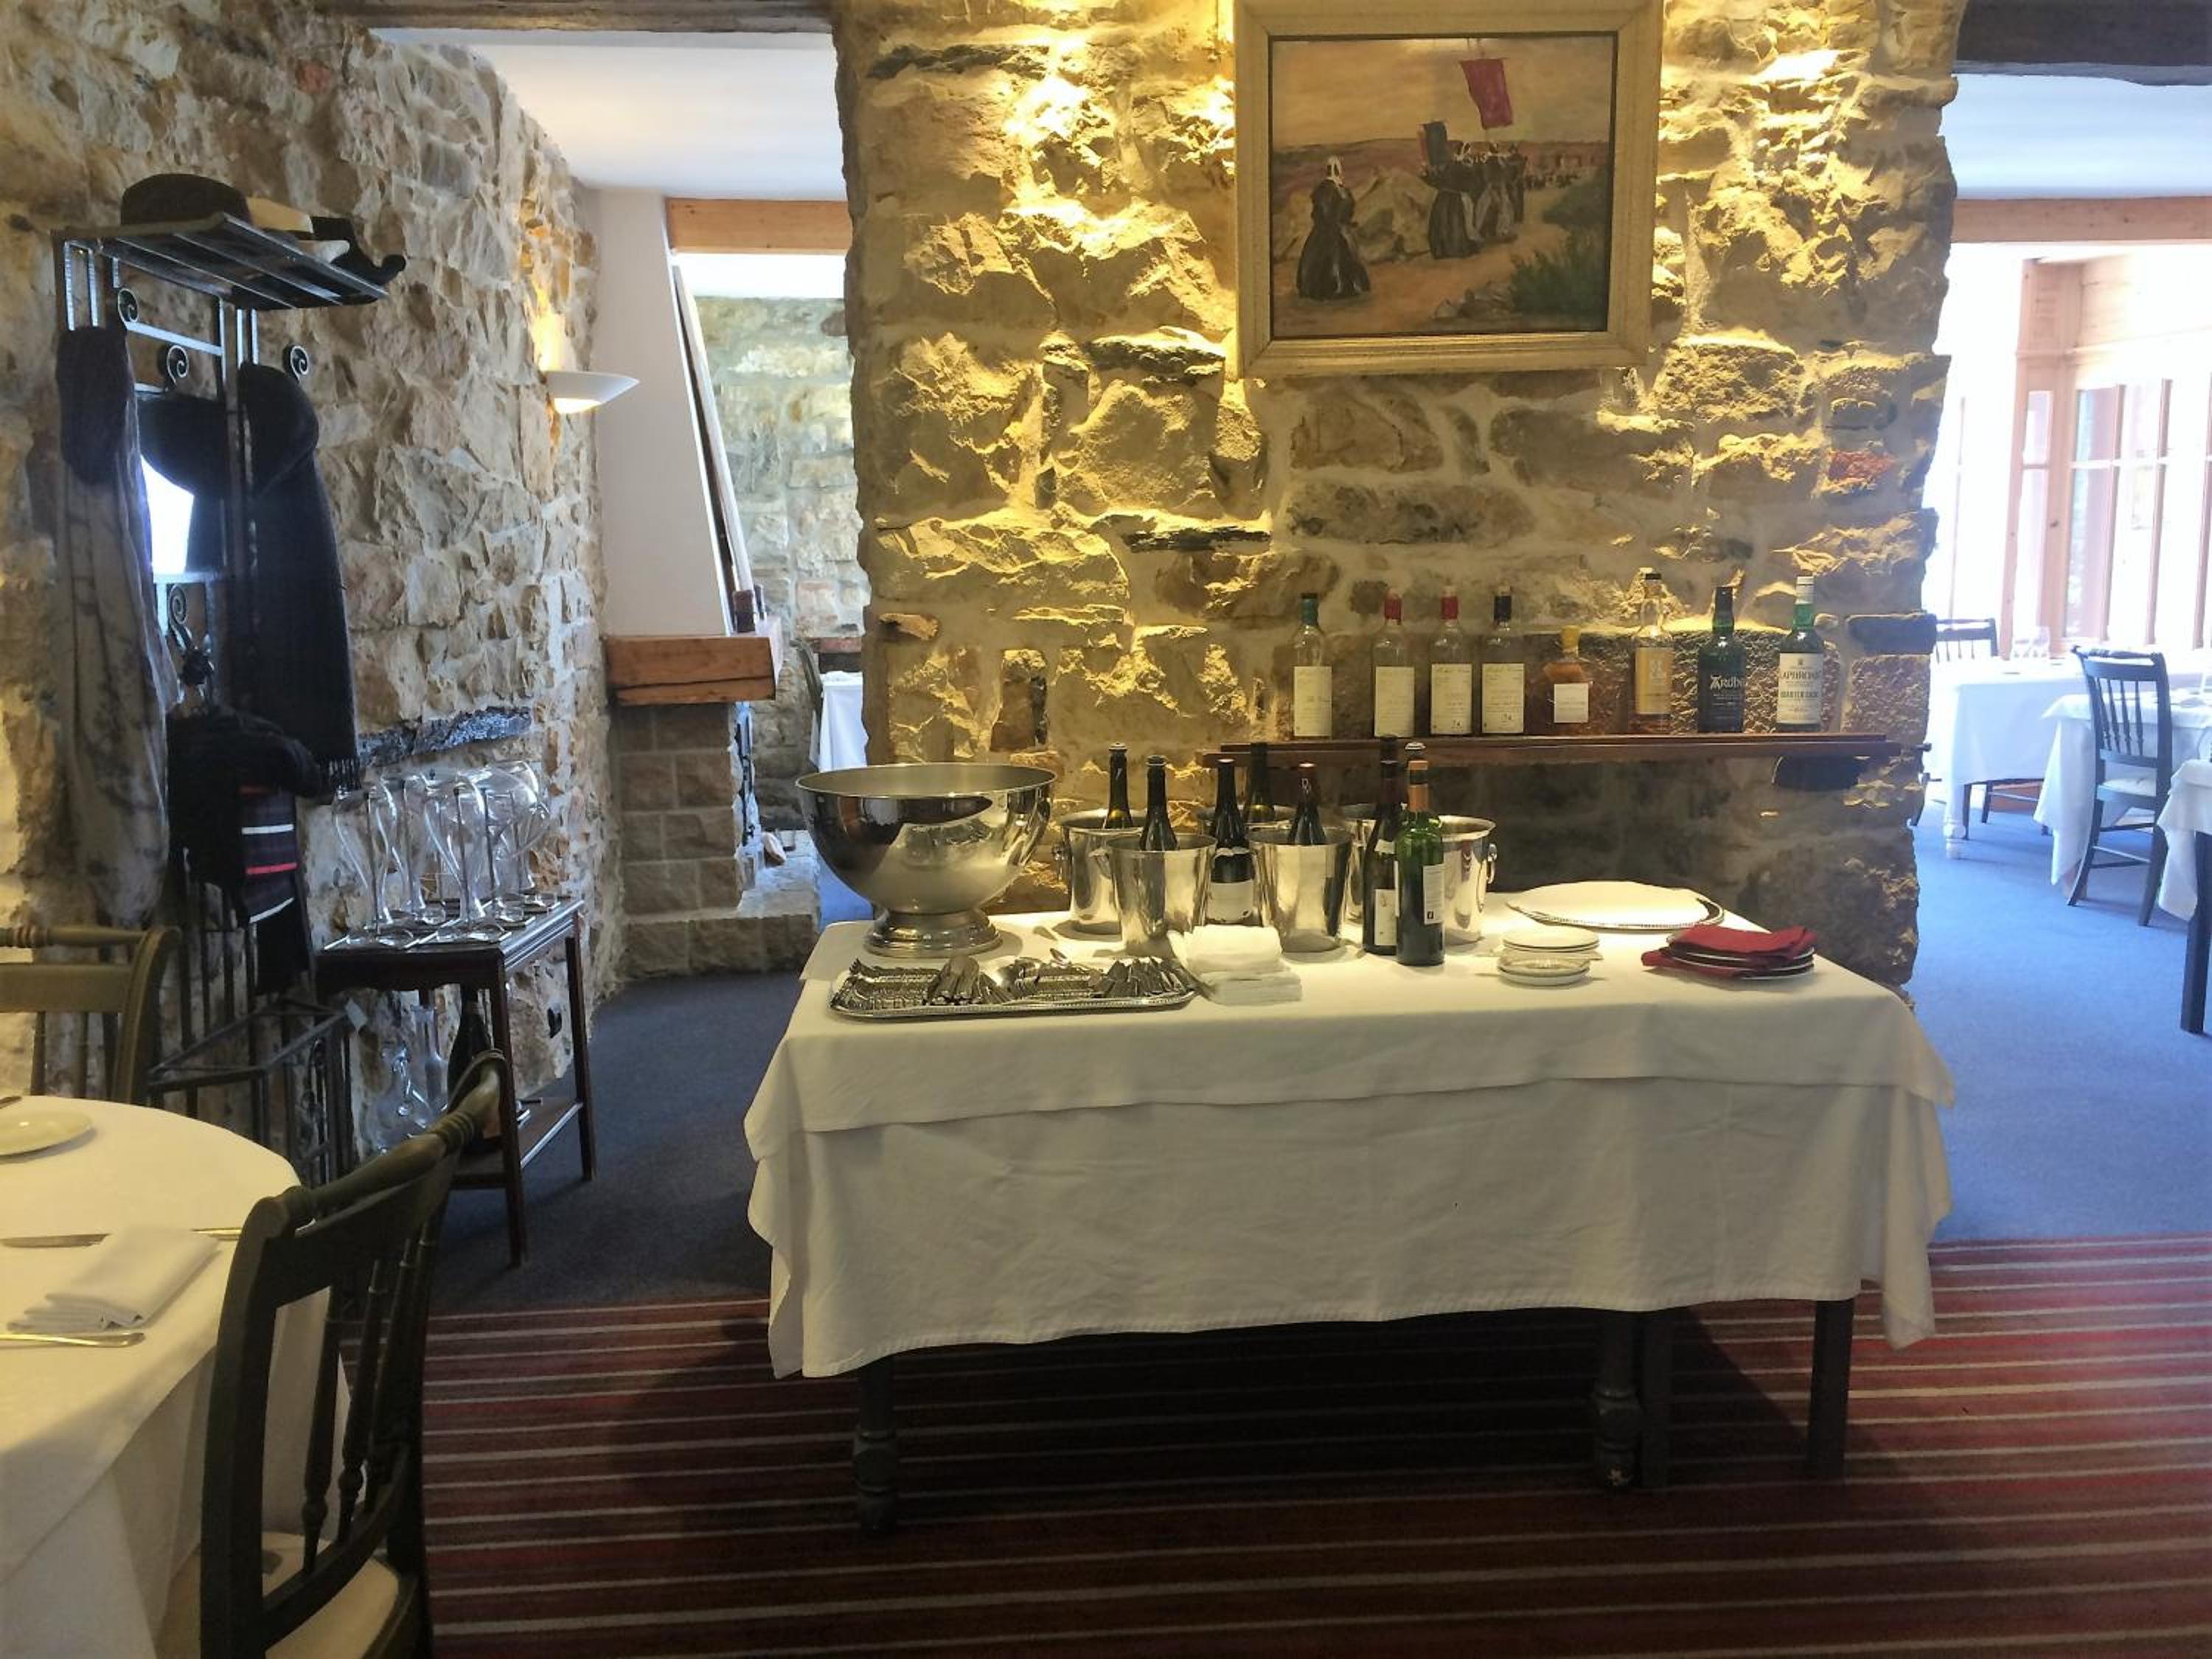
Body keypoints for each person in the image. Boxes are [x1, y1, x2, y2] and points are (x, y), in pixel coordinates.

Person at [1295, 157, 1369, 302]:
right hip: (1332, 232)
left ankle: (1337, 287)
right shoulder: (1331, 190)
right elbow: (1323, 212)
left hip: (1335, 231)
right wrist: (1338, 223)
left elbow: (1325, 212)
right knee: (1333, 259)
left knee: (1341, 259)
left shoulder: (1334, 190)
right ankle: (1334, 289)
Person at [1420, 142, 1478, 259]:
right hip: (1453, 200)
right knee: (1452, 224)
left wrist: (1426, 175)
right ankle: (1454, 250)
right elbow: (1471, 185)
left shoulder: (1449, 167)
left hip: (1444, 199)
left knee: (1446, 224)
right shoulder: (1463, 168)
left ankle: (1443, 251)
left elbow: (1436, 181)